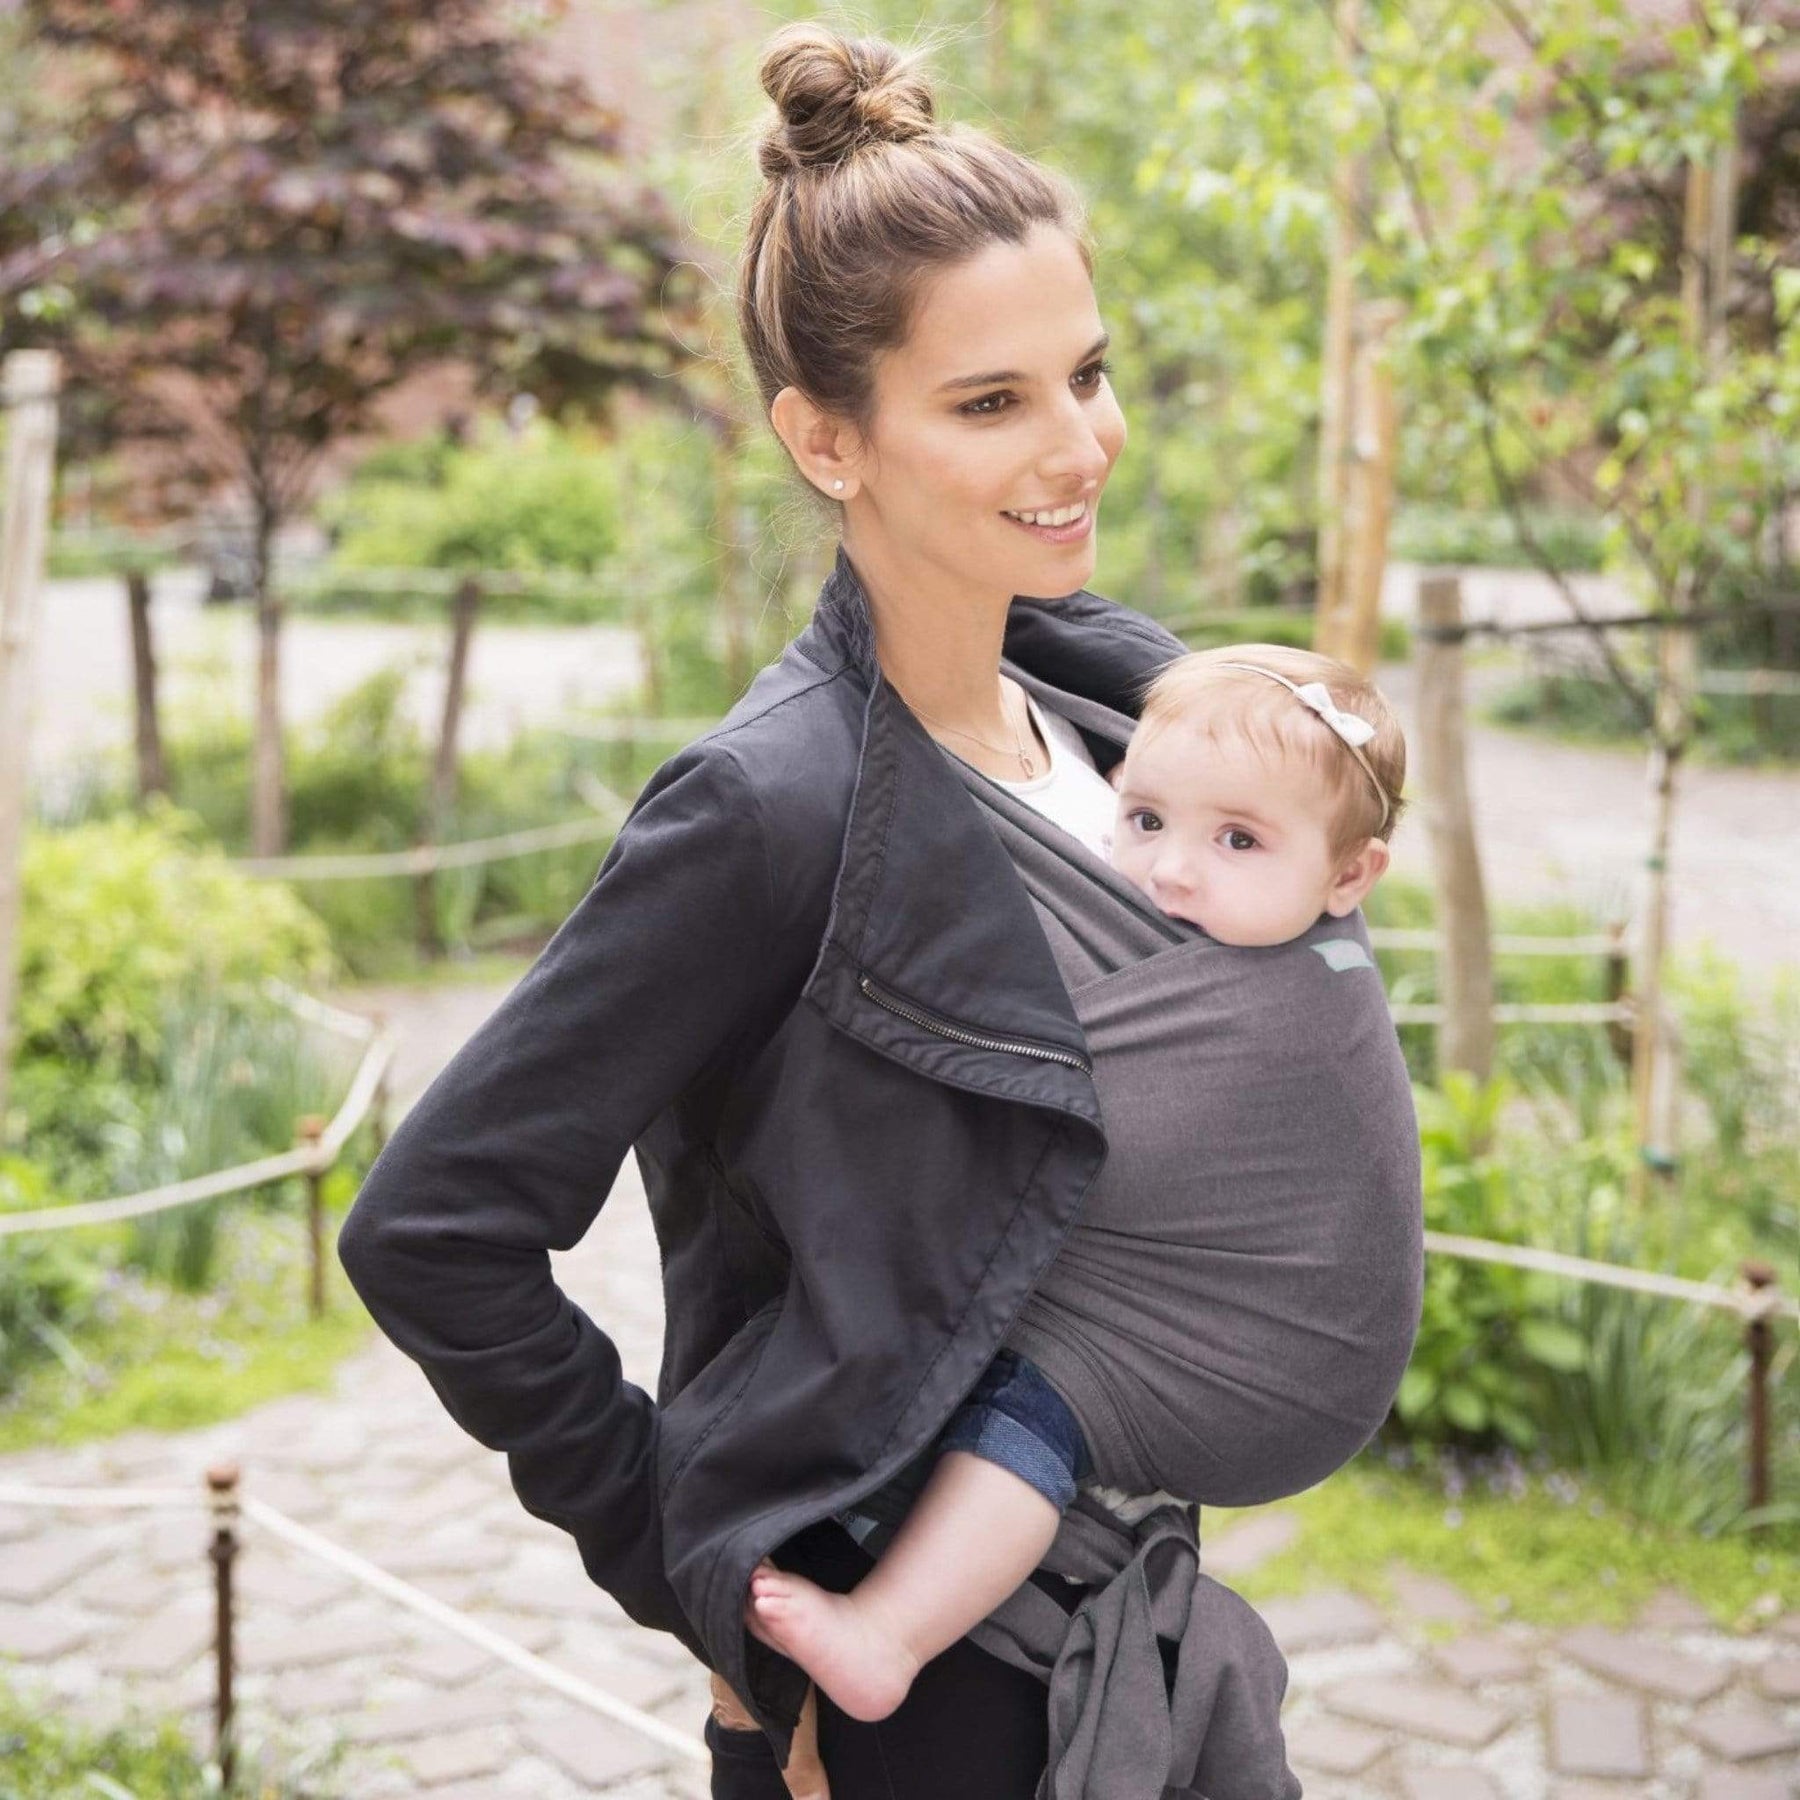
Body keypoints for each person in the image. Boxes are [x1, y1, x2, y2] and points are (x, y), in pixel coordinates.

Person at [337, 23, 1339, 1800]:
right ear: (824, 438)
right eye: (990, 402)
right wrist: (710, 1584)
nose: (1080, 443)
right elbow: (434, 1225)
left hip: (1139, 1645)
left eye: (1087, 373)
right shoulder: (771, 806)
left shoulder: (1131, 725)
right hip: (894, 1710)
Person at [740, 644, 1413, 1725]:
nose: (1170, 871)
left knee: (1037, 1408)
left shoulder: (1296, 1010)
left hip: (1267, 1369)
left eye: (1238, 840)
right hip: (1222, 1319)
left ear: (1349, 878)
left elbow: (1046, 1102)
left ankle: (890, 1635)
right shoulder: (1257, 926)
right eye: (1143, 819)